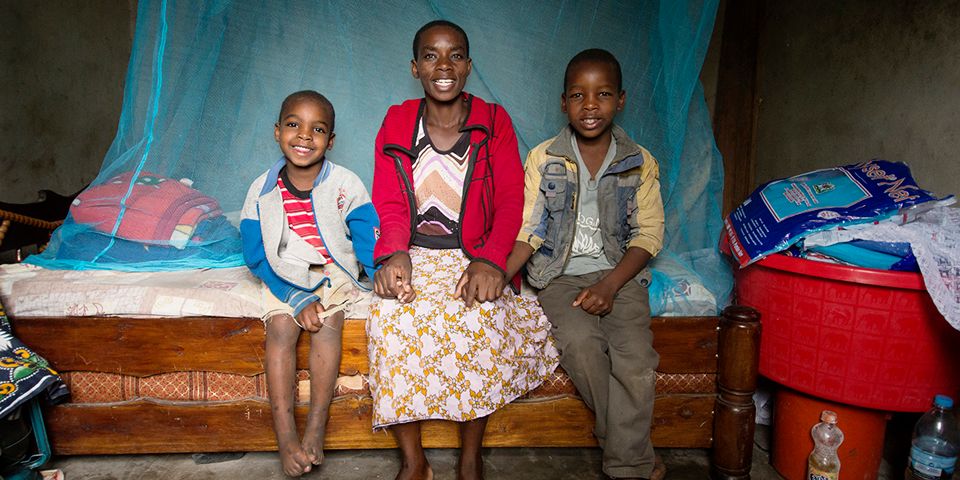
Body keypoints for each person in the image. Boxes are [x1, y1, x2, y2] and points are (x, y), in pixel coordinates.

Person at [368, 20, 558, 480]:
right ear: (415, 68)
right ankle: (415, 464)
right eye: (431, 56)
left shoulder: (494, 121)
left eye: (455, 55)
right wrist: (394, 252)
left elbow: (513, 198)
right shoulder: (397, 120)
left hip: (472, 251)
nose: (444, 65)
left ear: (469, 66)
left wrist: (491, 261)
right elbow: (388, 199)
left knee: (477, 314)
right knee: (392, 317)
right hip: (414, 250)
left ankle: (470, 459)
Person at [504, 49, 667, 480]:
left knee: (636, 361)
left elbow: (648, 234)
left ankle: (625, 465)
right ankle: (632, 452)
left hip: (620, 275)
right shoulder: (545, 158)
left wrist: (611, 286)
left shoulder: (640, 161)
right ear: (563, 102)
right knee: (579, 345)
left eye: (603, 94)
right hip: (559, 277)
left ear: (622, 100)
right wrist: (501, 273)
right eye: (578, 95)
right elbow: (530, 228)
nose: (590, 105)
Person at [240, 90, 379, 477]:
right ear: (276, 132)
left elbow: (366, 235)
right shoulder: (261, 191)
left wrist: (379, 269)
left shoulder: (345, 184)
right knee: (282, 327)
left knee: (328, 324)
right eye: (293, 125)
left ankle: (316, 427)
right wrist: (293, 296)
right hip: (282, 270)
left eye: (317, 129)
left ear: (330, 140)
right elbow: (256, 256)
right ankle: (286, 437)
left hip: (331, 271)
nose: (304, 136)